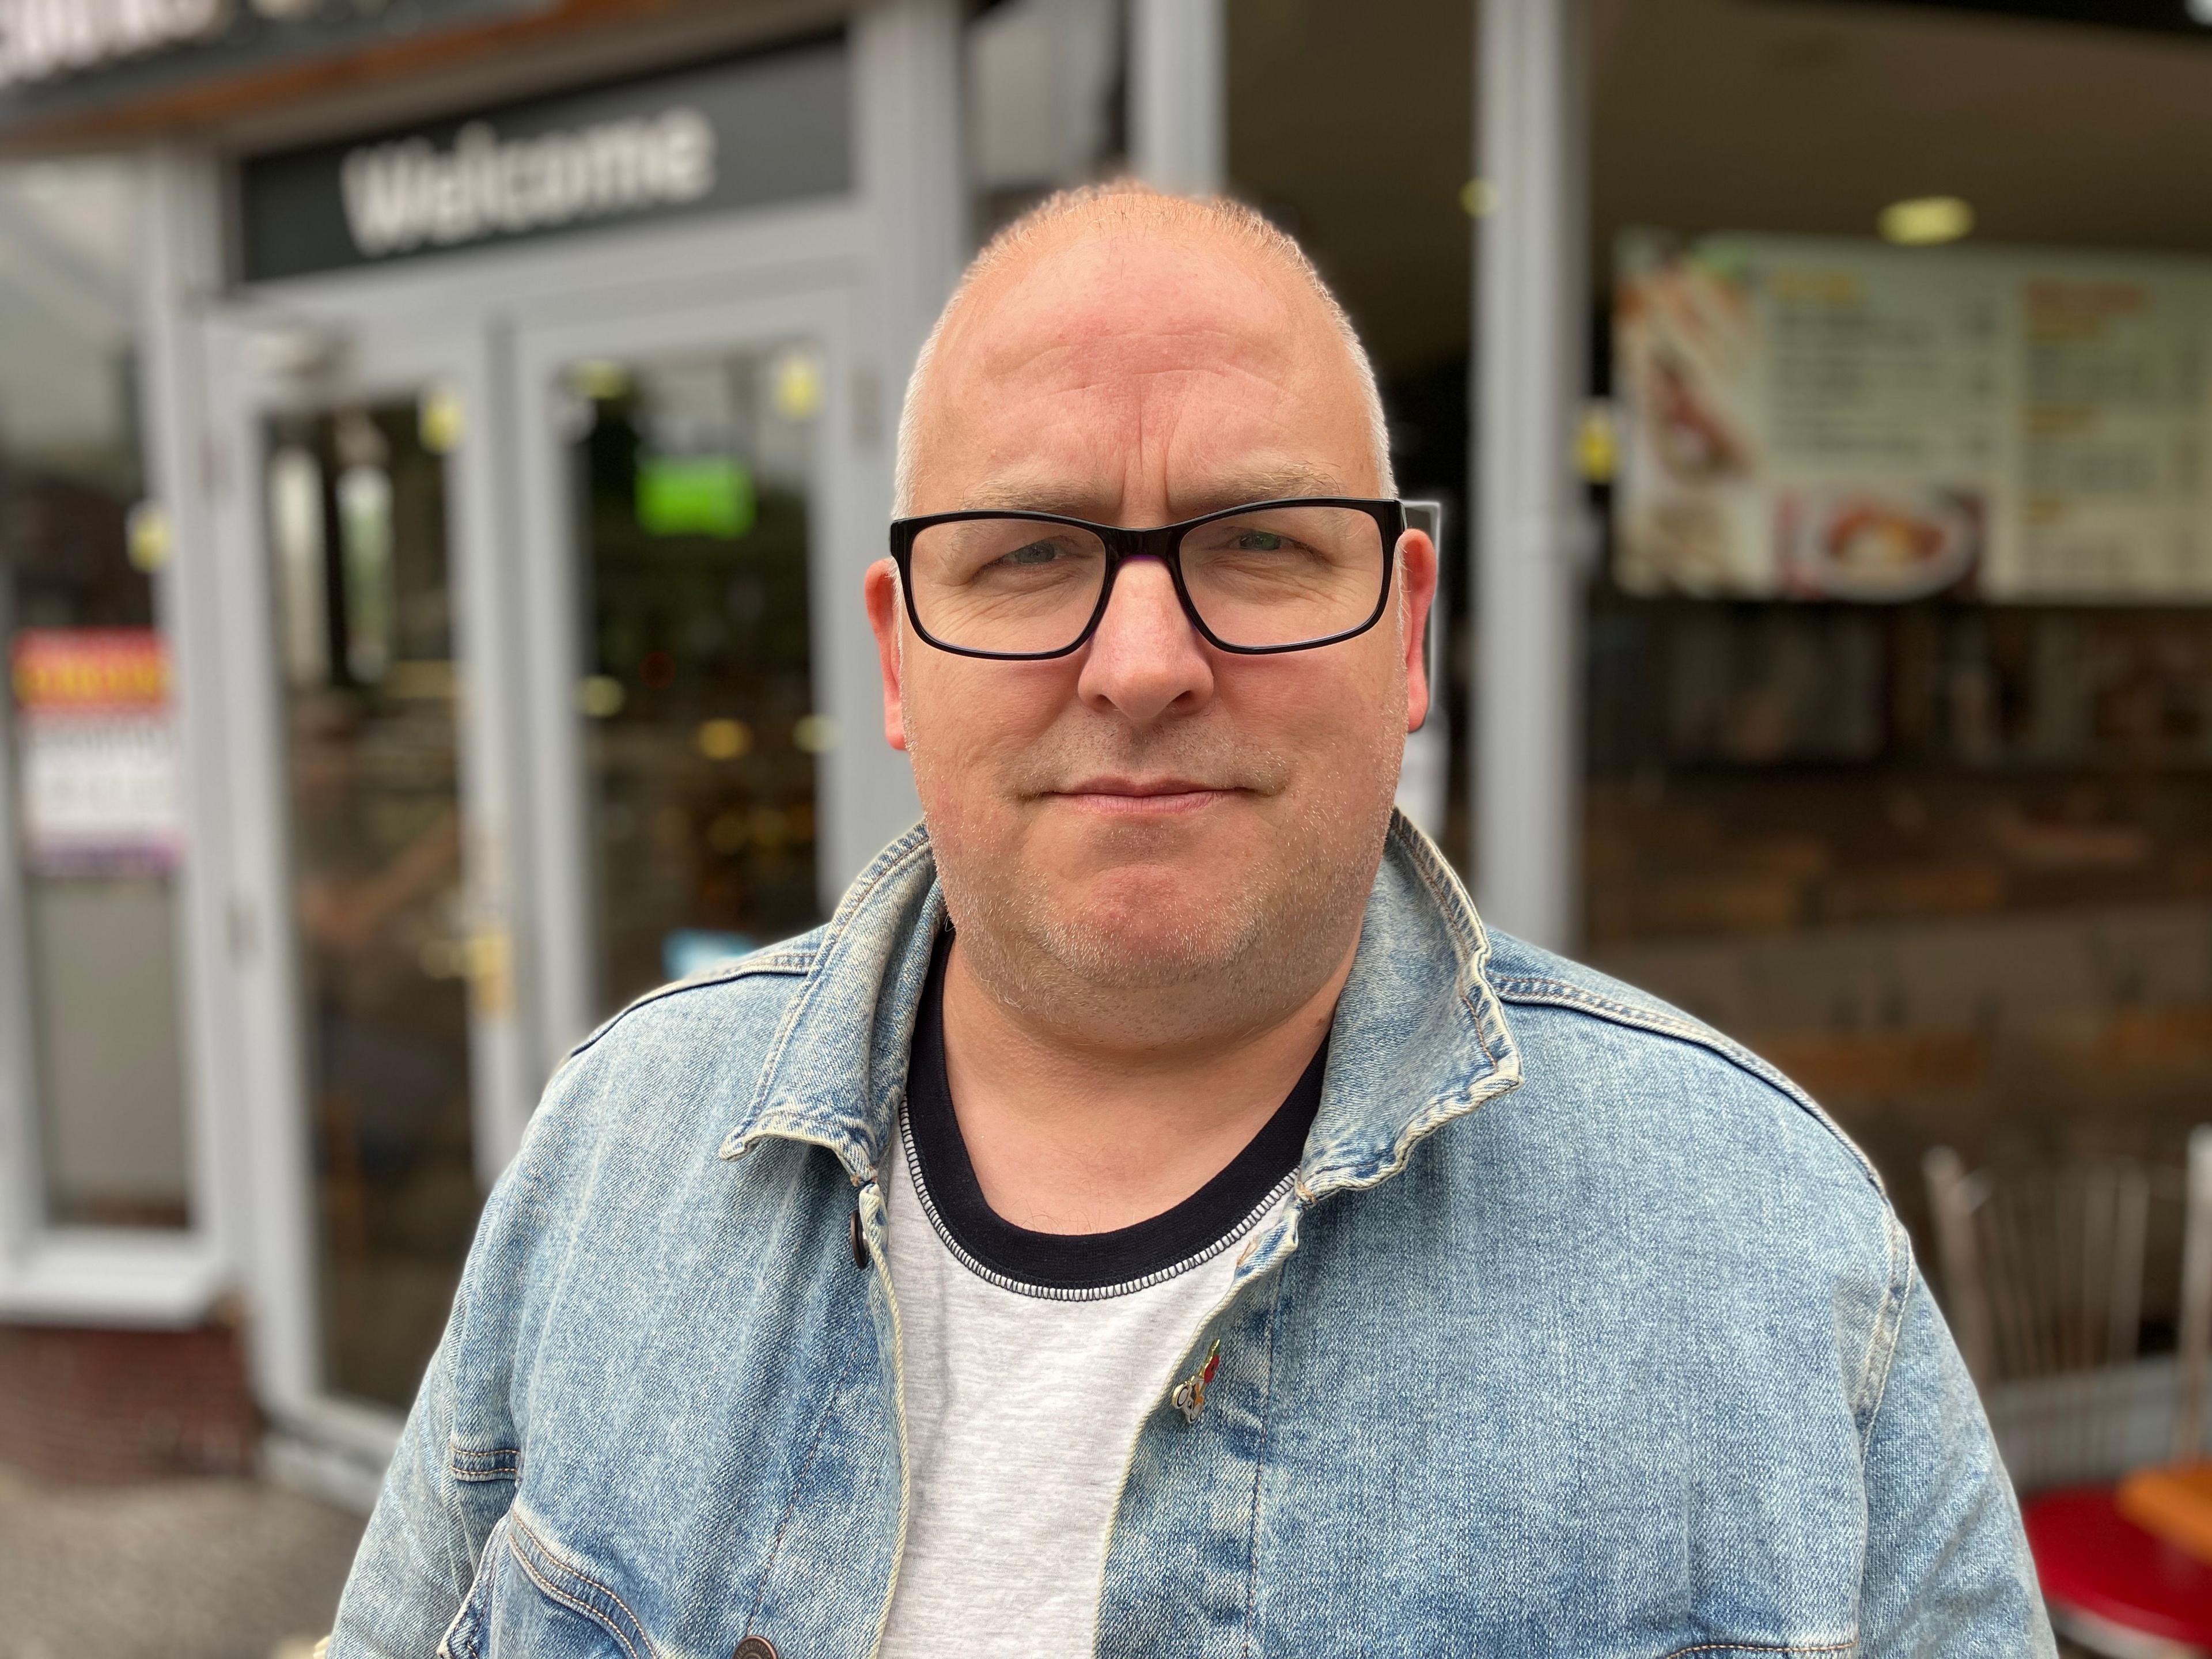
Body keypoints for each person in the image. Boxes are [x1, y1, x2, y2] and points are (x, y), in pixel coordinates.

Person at [332, 182, 2052, 1658]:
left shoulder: (1764, 1240)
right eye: (1023, 555)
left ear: (1406, 634)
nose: (1145, 666)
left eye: (1261, 547)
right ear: (894, 656)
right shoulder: (613, 1152)